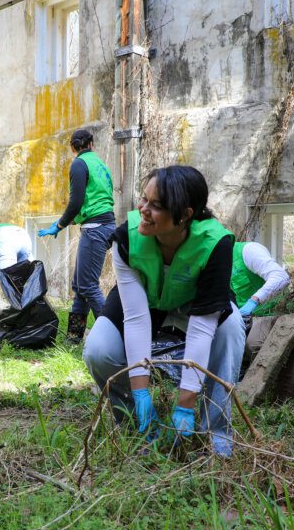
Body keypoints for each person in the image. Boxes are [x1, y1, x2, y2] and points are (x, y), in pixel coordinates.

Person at [82, 165, 246, 456]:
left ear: (185, 215)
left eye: (156, 206)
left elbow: (202, 328)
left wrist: (185, 403)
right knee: (97, 349)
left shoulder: (216, 243)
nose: (143, 209)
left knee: (231, 328)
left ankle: (215, 432)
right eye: (144, 199)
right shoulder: (127, 238)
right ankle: (138, 425)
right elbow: (136, 319)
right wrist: (141, 391)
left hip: (196, 303)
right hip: (145, 302)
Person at [37, 129, 115, 344]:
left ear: (73, 148)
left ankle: (114, 337)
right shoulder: (100, 164)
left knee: (88, 285)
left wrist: (60, 224)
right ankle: (73, 338)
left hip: (96, 227)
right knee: (80, 285)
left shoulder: (79, 164)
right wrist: (69, 221)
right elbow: (92, 201)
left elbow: (77, 200)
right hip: (103, 224)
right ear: (91, 144)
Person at [231, 240, 290, 365]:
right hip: (239, 317)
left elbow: (281, 278)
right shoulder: (209, 262)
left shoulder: (248, 251)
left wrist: (255, 300)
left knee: (253, 344)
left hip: (268, 312)